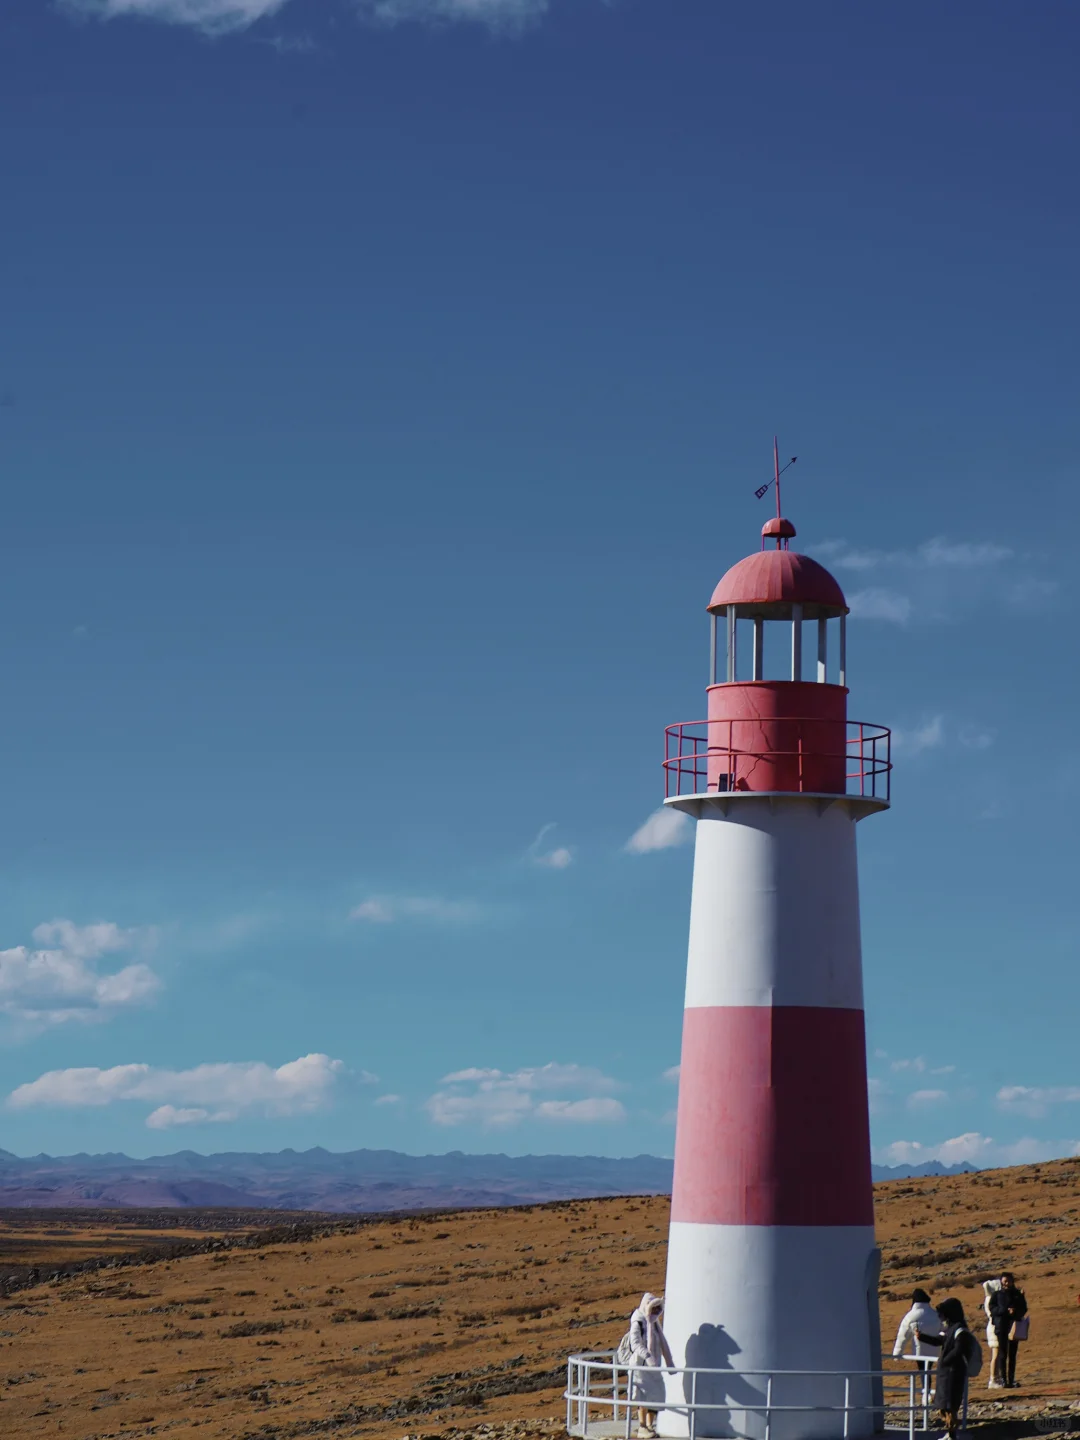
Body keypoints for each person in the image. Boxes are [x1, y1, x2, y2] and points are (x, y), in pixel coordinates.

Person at [918, 1297, 978, 1440]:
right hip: (946, 1373)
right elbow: (940, 1340)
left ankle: (952, 1435)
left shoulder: (960, 1331)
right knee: (944, 1405)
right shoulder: (951, 1328)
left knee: (950, 1406)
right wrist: (922, 1337)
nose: (941, 1317)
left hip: (953, 1373)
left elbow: (958, 1350)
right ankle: (950, 1433)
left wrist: (944, 1360)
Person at [628, 1292, 673, 1439]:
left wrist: (665, 1361)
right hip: (640, 1366)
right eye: (653, 1308)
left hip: (654, 1366)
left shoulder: (654, 1323)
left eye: (657, 1308)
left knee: (657, 1394)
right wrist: (647, 1356)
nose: (655, 1311)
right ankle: (642, 1427)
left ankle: (649, 1426)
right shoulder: (639, 1321)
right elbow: (634, 1343)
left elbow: (661, 1343)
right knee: (643, 1395)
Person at [988, 1272, 1028, 1388]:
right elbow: (992, 1309)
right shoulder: (996, 1295)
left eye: (1009, 1281)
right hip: (1001, 1327)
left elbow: (1024, 1308)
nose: (1007, 1283)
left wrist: (1015, 1312)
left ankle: (1011, 1379)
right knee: (1002, 1354)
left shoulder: (1017, 1295)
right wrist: (1005, 1310)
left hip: (1014, 1327)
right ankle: (1003, 1380)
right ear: (1001, 1282)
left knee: (1012, 1354)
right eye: (1005, 1281)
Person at [893, 1287, 942, 1374]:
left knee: (923, 1372)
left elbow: (903, 1336)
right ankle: (927, 1386)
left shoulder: (910, 1316)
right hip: (935, 1351)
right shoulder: (935, 1315)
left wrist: (897, 1353)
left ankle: (925, 1386)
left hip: (920, 1352)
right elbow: (943, 1331)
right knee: (928, 1371)